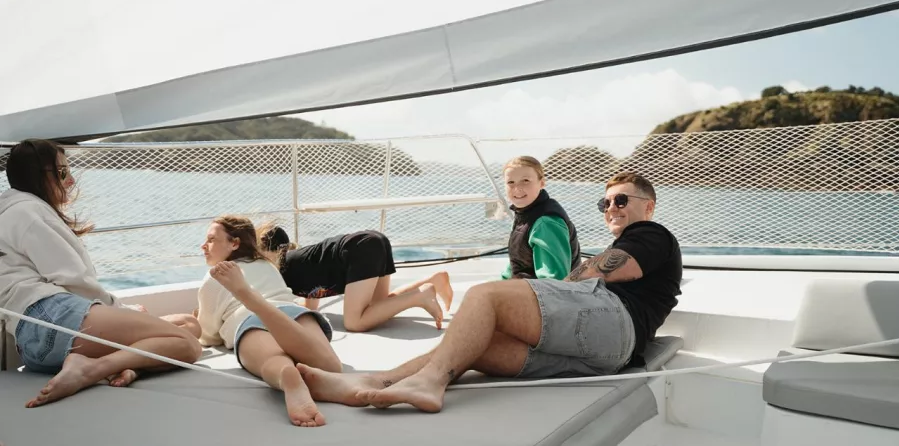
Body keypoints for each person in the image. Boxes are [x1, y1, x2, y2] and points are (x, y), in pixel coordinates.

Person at [294, 171, 682, 413]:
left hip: (615, 322)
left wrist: (556, 286)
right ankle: (377, 381)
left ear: (647, 206)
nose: (610, 207)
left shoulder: (651, 233)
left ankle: (430, 383)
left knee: (485, 296)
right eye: (605, 202)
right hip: (608, 356)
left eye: (621, 200)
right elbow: (585, 278)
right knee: (477, 341)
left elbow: (618, 270)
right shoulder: (628, 241)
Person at [0, 139, 203, 408]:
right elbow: (76, 284)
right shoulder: (30, 213)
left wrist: (121, 311)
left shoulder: (14, 210)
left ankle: (128, 366)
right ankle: (92, 369)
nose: (71, 181)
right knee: (187, 344)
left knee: (189, 323)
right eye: (62, 172)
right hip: (55, 319)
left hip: (37, 344)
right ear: (37, 174)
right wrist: (121, 310)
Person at [196, 215, 341, 427]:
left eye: (211, 240)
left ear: (235, 243)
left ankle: (286, 375)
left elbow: (208, 335)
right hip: (290, 312)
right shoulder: (266, 265)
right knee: (331, 366)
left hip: (247, 317)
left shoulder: (216, 277)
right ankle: (257, 303)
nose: (204, 245)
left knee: (271, 359)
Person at [259, 226, 453, 332]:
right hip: (370, 241)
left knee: (355, 322)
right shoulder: (299, 259)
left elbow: (277, 307)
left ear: (267, 254)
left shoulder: (280, 269)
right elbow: (311, 307)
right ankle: (433, 281)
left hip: (360, 248)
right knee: (379, 307)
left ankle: (420, 296)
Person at [499, 156, 581, 281]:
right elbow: (518, 262)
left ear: (542, 183)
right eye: (511, 182)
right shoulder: (526, 214)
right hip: (526, 286)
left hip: (546, 296)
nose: (517, 188)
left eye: (525, 180)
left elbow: (554, 280)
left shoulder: (545, 222)